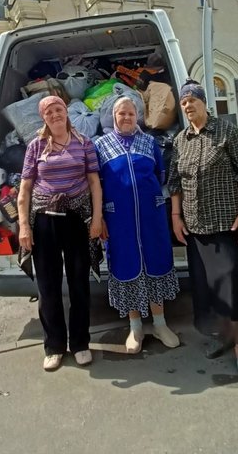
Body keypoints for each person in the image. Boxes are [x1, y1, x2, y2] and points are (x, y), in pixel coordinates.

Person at [167, 80, 238, 382]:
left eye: (193, 100)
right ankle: (223, 335)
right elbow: (175, 183)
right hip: (195, 227)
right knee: (209, 288)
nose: (189, 105)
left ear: (205, 103)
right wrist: (176, 217)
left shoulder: (226, 132)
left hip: (228, 224)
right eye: (184, 102)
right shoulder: (180, 140)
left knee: (234, 286)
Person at [18, 95, 103, 372]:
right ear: (43, 117)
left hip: (77, 219)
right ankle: (54, 346)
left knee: (79, 283)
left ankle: (80, 344)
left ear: (66, 112)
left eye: (58, 109)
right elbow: (25, 189)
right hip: (44, 222)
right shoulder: (36, 146)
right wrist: (23, 225)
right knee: (48, 286)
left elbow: (94, 183)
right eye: (49, 111)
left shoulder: (84, 144)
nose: (55, 115)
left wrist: (97, 219)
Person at [94, 96, 180, 354]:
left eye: (131, 113)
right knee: (127, 264)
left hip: (150, 216)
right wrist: (99, 218)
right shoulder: (101, 145)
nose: (127, 118)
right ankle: (135, 327)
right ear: (113, 117)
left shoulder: (149, 142)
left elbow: (160, 175)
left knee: (155, 261)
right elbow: (95, 184)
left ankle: (160, 323)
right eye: (121, 114)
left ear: (137, 116)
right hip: (118, 218)